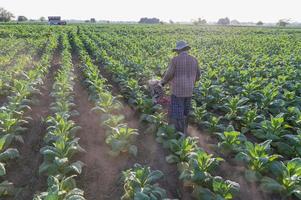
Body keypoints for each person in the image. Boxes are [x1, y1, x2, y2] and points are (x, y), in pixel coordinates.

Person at [160, 41, 200, 134]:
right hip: (189, 90)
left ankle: (179, 133)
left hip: (177, 91)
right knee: (186, 111)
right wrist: (191, 82)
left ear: (178, 50)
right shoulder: (194, 60)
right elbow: (198, 76)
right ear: (186, 49)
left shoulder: (175, 60)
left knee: (178, 113)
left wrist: (163, 83)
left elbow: (169, 74)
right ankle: (184, 130)